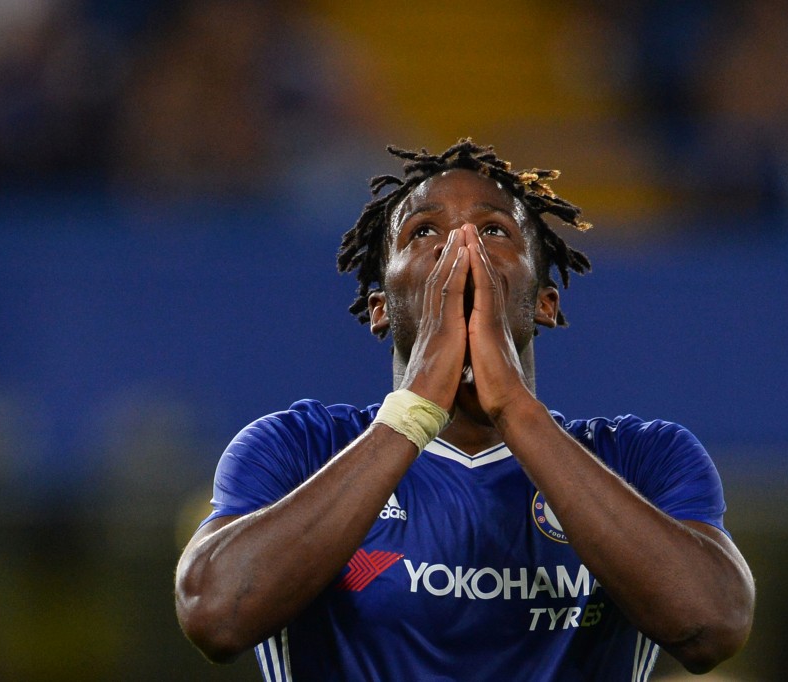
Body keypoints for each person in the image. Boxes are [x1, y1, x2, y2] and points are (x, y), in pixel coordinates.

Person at [175, 139, 755, 681]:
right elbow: (216, 616)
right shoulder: (297, 449)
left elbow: (712, 626)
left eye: (494, 231)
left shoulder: (641, 459)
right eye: (425, 231)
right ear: (380, 307)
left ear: (545, 302)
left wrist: (516, 412)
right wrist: (414, 412)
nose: (463, 249)